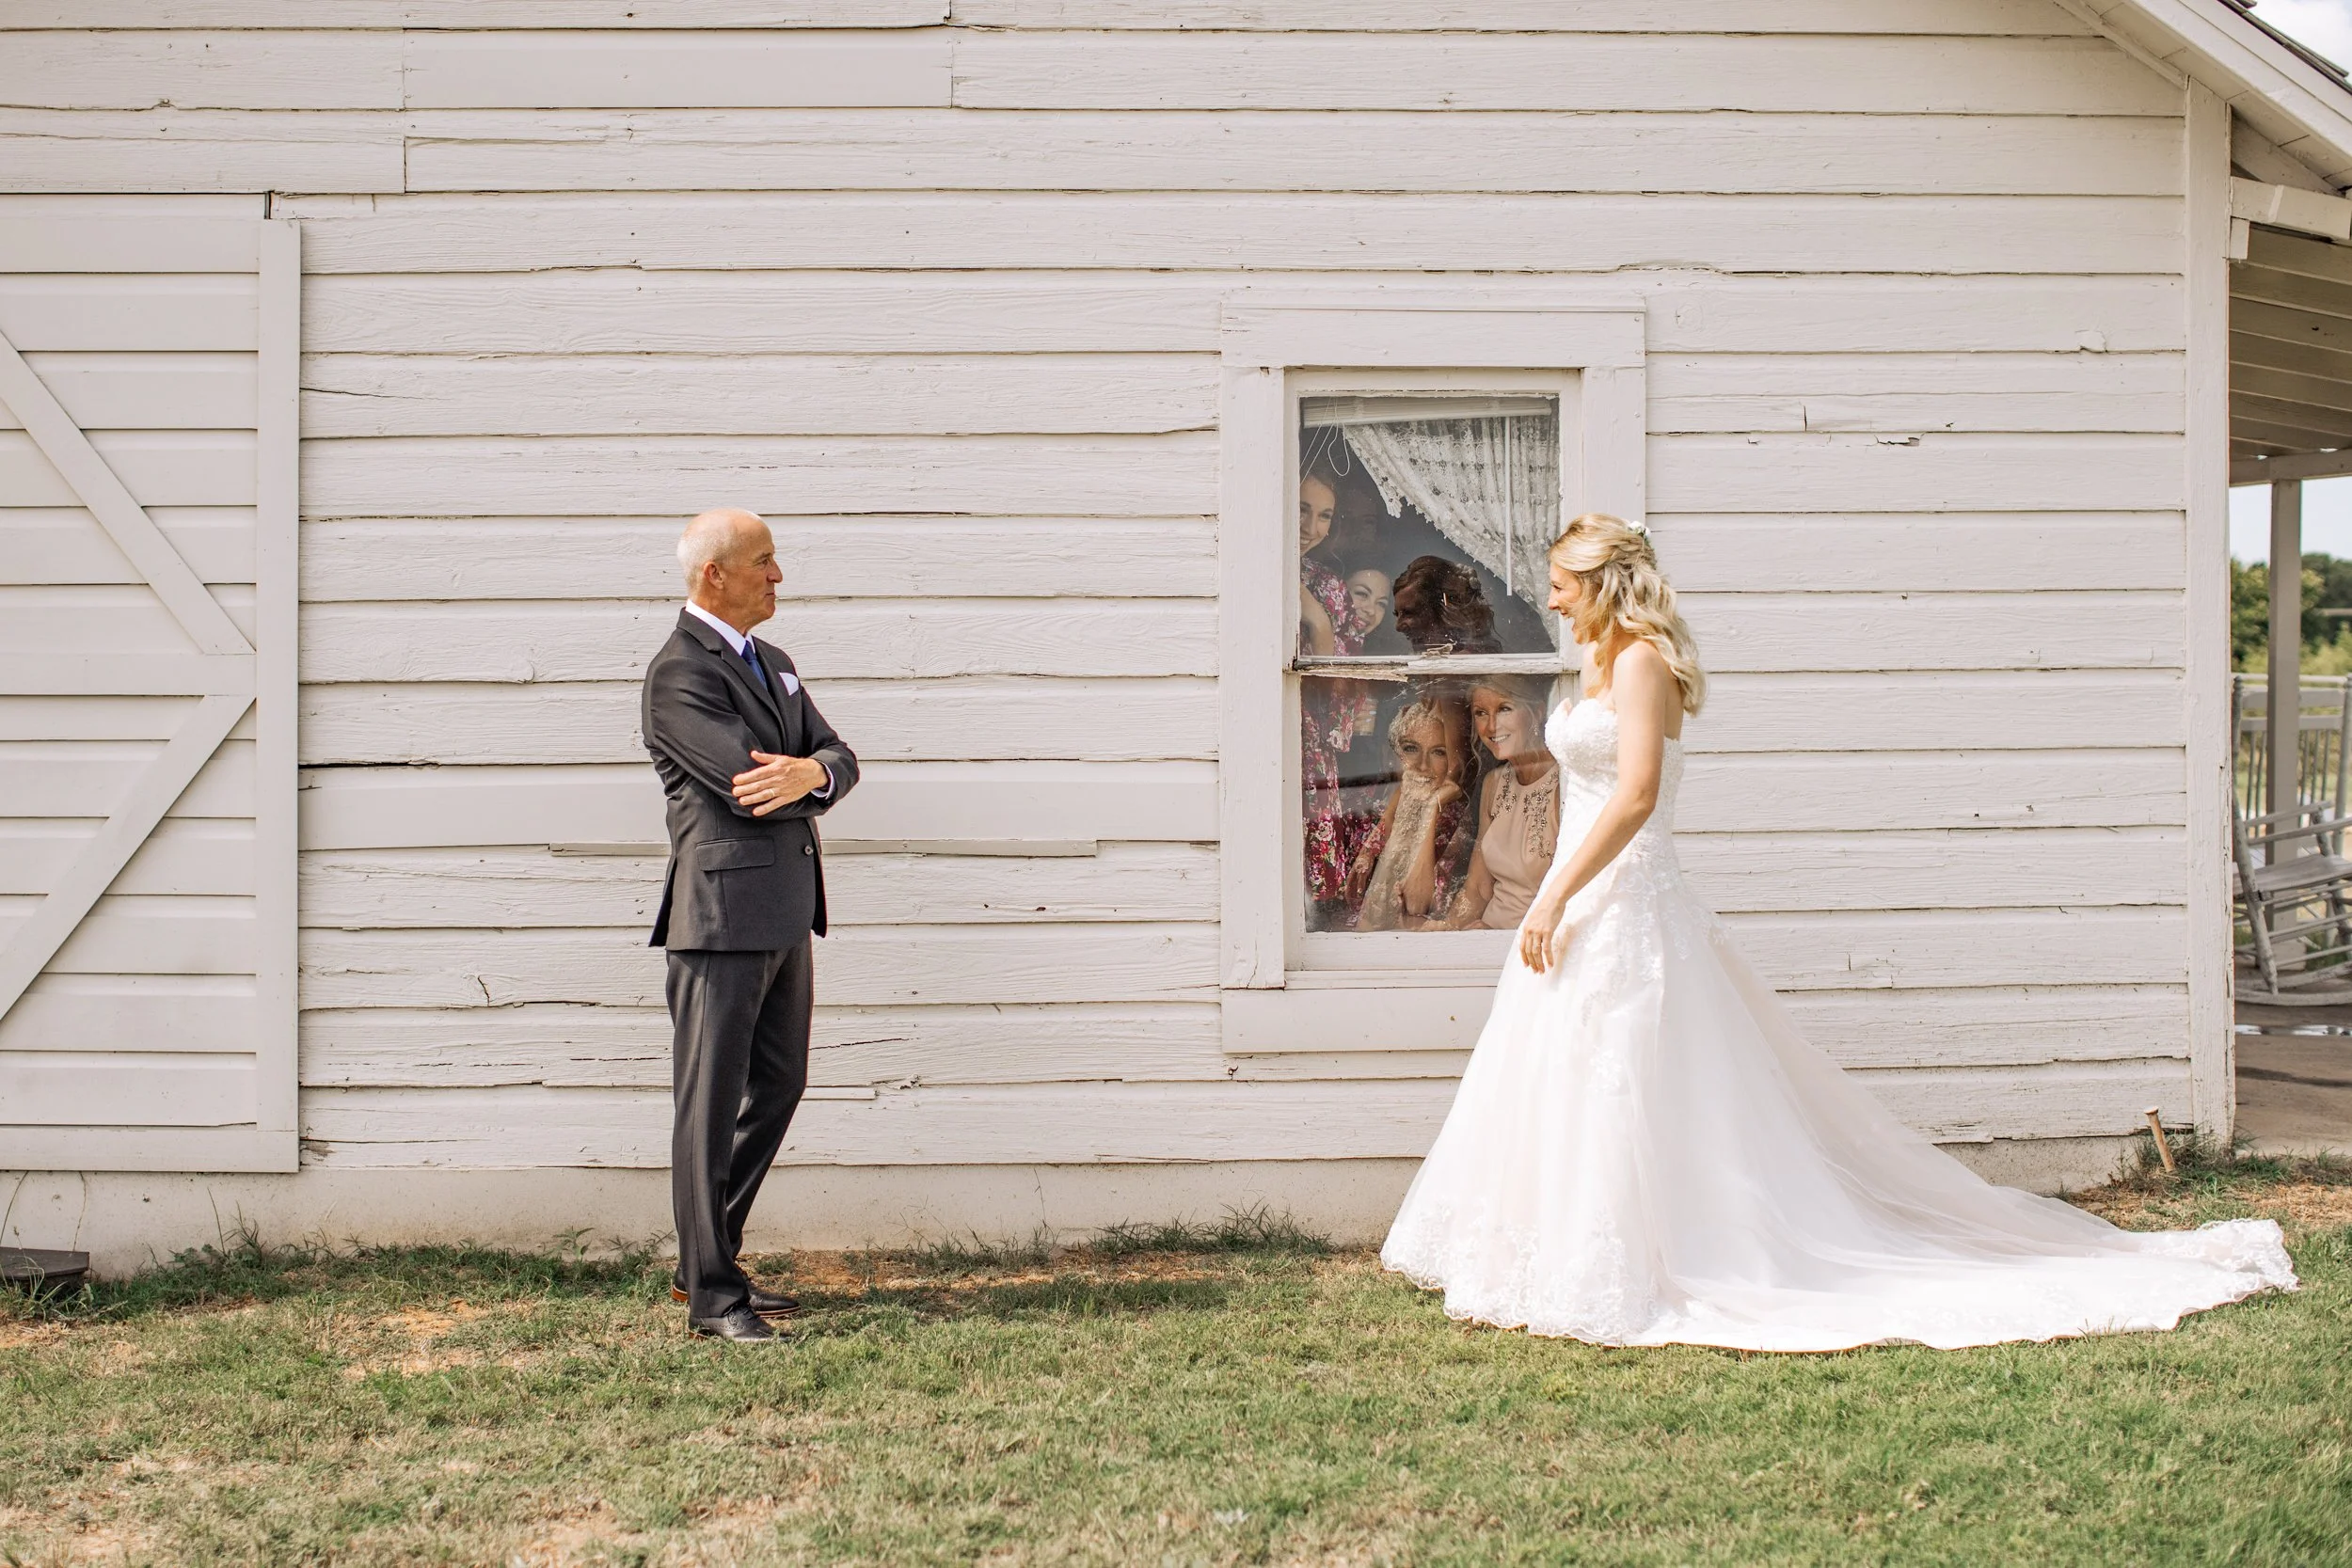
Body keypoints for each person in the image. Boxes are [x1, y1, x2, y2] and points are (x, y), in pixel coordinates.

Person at [1382, 514, 2296, 1351]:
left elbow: (1635, 797)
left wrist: (1552, 894)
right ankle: (1548, 1246)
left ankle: (1661, 1253)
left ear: (1601, 582)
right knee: (1559, 1067)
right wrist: (1554, 896)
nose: (1546, 595)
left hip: (1623, 896)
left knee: (1635, 1072)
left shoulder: (1643, 663)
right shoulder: (1593, 664)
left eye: (1559, 580)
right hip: (1579, 898)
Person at [643, 508, 860, 1344]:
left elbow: (836, 755)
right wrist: (811, 773)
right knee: (707, 1104)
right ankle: (709, 1294)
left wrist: (816, 769)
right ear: (715, 576)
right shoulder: (678, 675)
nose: (778, 576)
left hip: (785, 915)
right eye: (764, 561)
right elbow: (749, 783)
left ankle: (710, 1254)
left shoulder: (774, 663)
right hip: (721, 918)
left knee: (780, 1084)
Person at [1438, 675, 1560, 930]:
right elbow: (1478, 888)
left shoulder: (1565, 786)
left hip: (1534, 946)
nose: (1491, 727)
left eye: (1504, 709)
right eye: (1481, 713)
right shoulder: (1494, 784)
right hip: (1485, 938)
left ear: (1536, 712)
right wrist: (1448, 928)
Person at [1350, 689, 1477, 930]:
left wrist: (1431, 810)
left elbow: (1417, 906)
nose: (1422, 765)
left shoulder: (1454, 821)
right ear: (1395, 754)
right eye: (1411, 748)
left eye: (1438, 752)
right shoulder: (1375, 807)